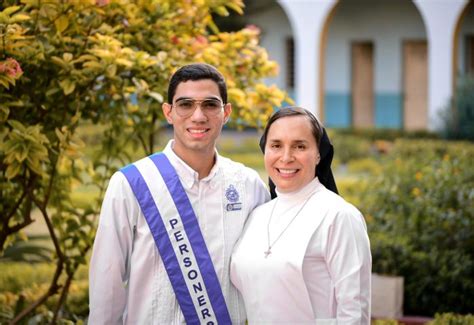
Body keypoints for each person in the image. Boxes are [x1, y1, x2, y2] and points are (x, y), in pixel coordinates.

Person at [88, 63, 270, 324]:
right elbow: (107, 283)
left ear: (226, 112)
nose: (198, 116)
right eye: (185, 104)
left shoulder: (248, 185)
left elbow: (265, 274)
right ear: (168, 112)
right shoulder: (131, 183)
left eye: (210, 104)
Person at [231, 107, 372, 324]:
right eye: (276, 145)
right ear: (265, 150)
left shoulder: (339, 216)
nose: (286, 157)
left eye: (299, 146)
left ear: (318, 154)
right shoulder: (256, 215)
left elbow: (354, 313)